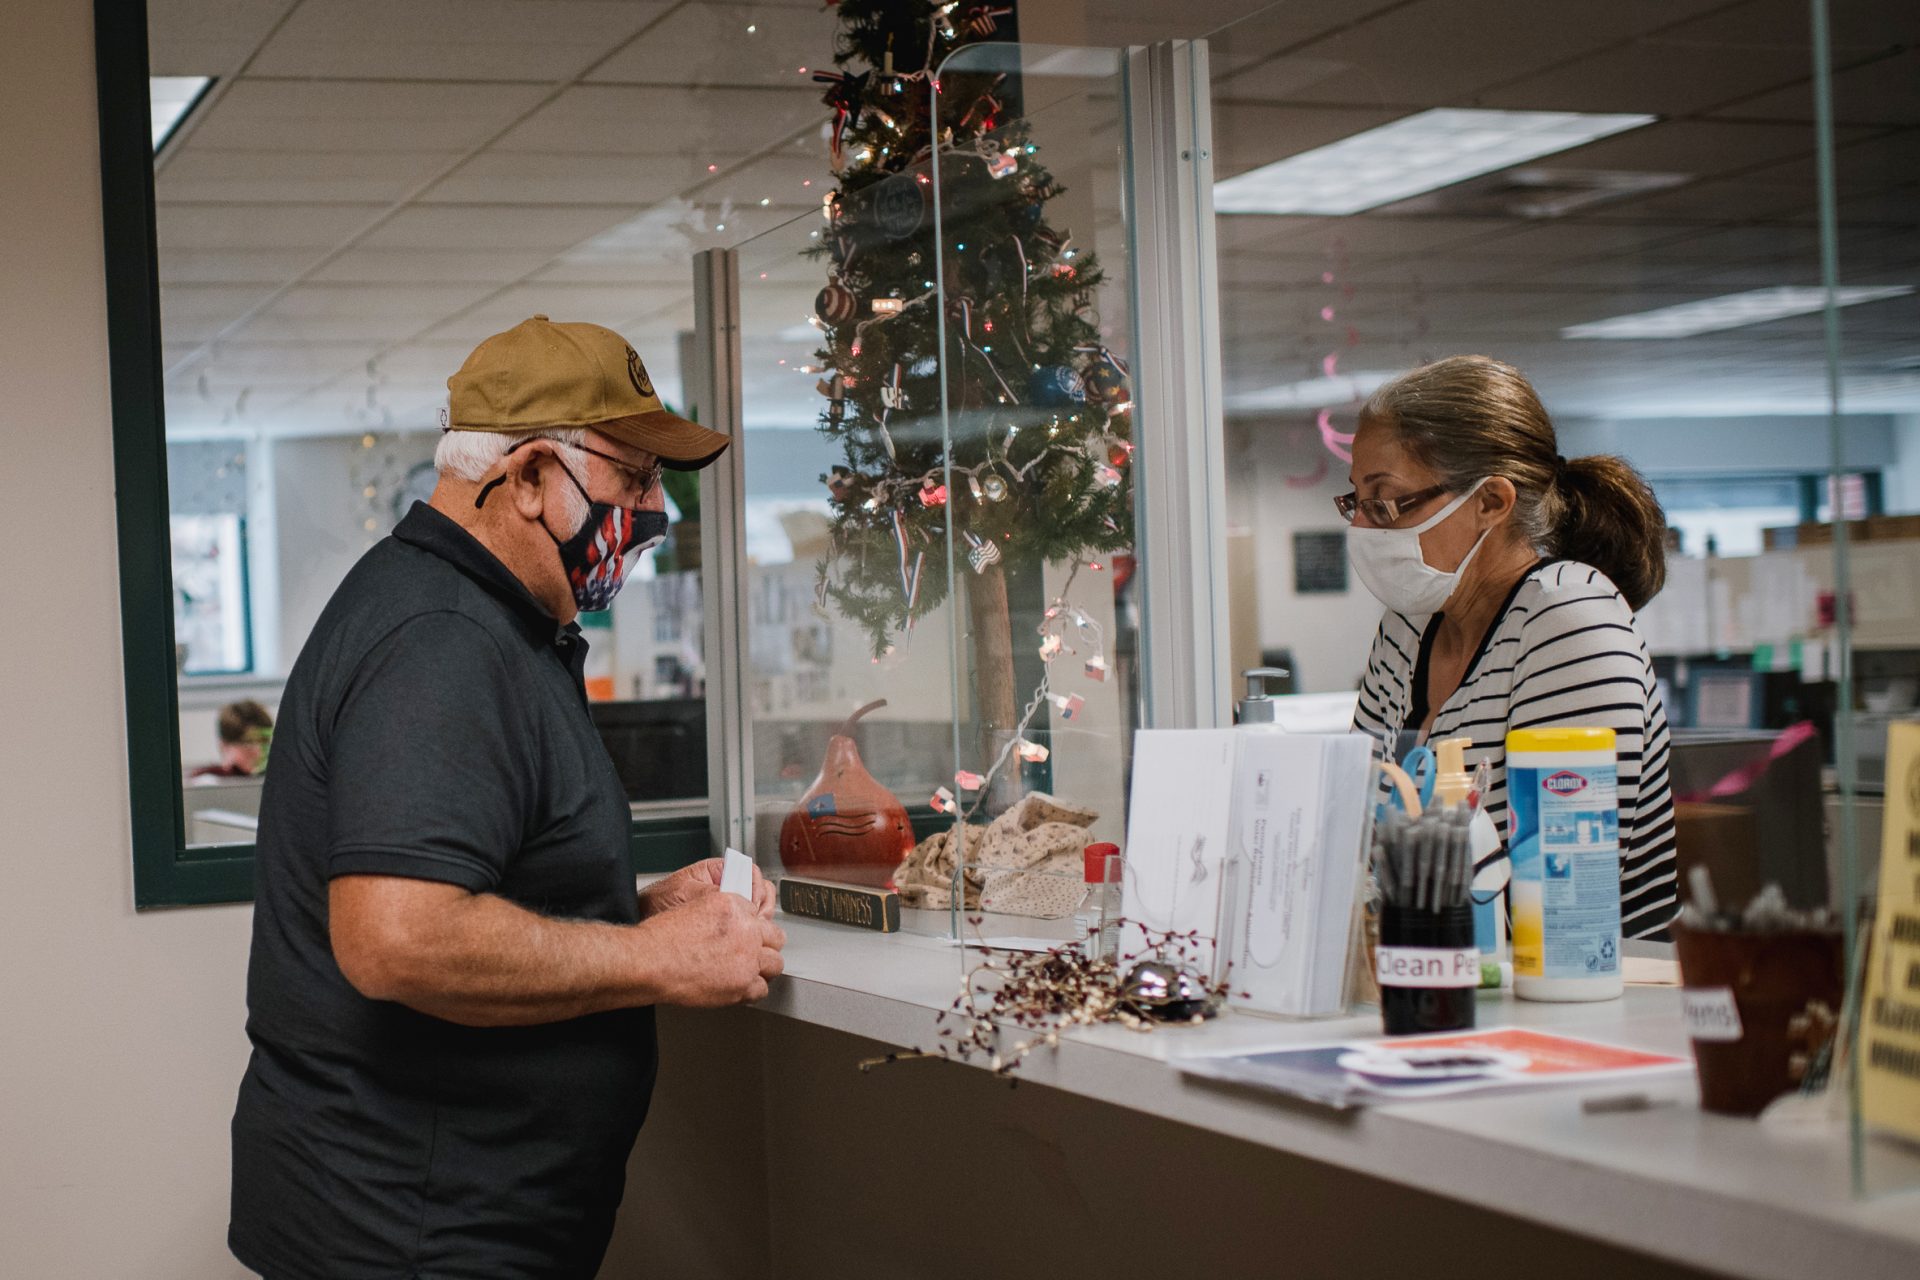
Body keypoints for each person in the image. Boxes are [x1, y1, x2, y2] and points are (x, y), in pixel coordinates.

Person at [229, 316, 786, 1279]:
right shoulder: (441, 639)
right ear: (530, 478)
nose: (659, 513)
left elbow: (475, 880)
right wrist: (652, 958)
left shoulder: (488, 618)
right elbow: (396, 936)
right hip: (414, 1232)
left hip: (441, 1219)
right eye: (637, 477)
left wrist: (633, 911)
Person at [1345, 355, 1678, 939]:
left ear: (1491, 502)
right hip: (1432, 977)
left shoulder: (1569, 621)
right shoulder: (1407, 628)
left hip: (1576, 998)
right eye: (1357, 502)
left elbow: (1561, 901)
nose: (1366, 529)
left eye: (1387, 502)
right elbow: (1354, 839)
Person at [188, 698, 272, 781]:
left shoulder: (271, 780)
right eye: (247, 742)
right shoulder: (206, 780)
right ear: (224, 745)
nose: (257, 751)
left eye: (264, 741)